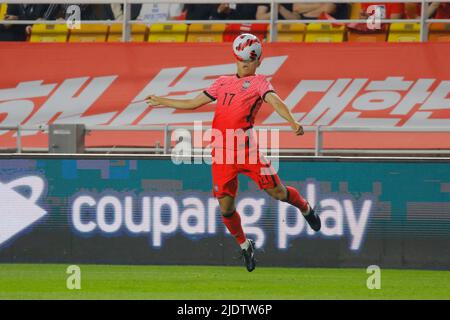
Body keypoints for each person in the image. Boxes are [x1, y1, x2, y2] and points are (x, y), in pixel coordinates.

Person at [145, 34, 321, 272]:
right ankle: (245, 245)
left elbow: (276, 101)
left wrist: (291, 121)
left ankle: (305, 207)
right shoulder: (222, 82)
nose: (245, 64)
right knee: (226, 208)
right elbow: (193, 103)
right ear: (235, 58)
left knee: (278, 193)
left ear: (258, 61)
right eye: (241, 59)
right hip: (221, 153)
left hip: (247, 150)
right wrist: (162, 101)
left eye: (250, 60)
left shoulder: (259, 82)